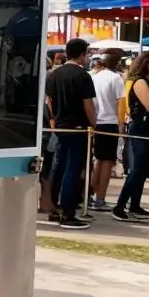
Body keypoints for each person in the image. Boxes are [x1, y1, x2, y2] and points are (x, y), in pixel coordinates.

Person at [44, 38, 96, 229]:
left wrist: (55, 118)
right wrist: (94, 123)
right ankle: (68, 212)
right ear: (82, 53)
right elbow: (88, 104)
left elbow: (49, 101)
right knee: (73, 169)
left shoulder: (54, 75)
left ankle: (55, 208)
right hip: (78, 127)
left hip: (60, 126)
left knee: (59, 166)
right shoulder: (82, 76)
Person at [112, 51, 149, 222]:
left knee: (144, 168)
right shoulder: (140, 82)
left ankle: (135, 203)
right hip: (140, 127)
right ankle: (120, 205)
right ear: (145, 64)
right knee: (137, 168)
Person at [89, 51, 125, 211]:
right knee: (107, 162)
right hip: (110, 123)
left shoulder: (95, 77)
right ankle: (100, 197)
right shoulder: (116, 78)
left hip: (96, 122)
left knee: (98, 161)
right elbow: (121, 103)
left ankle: (92, 194)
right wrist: (121, 125)